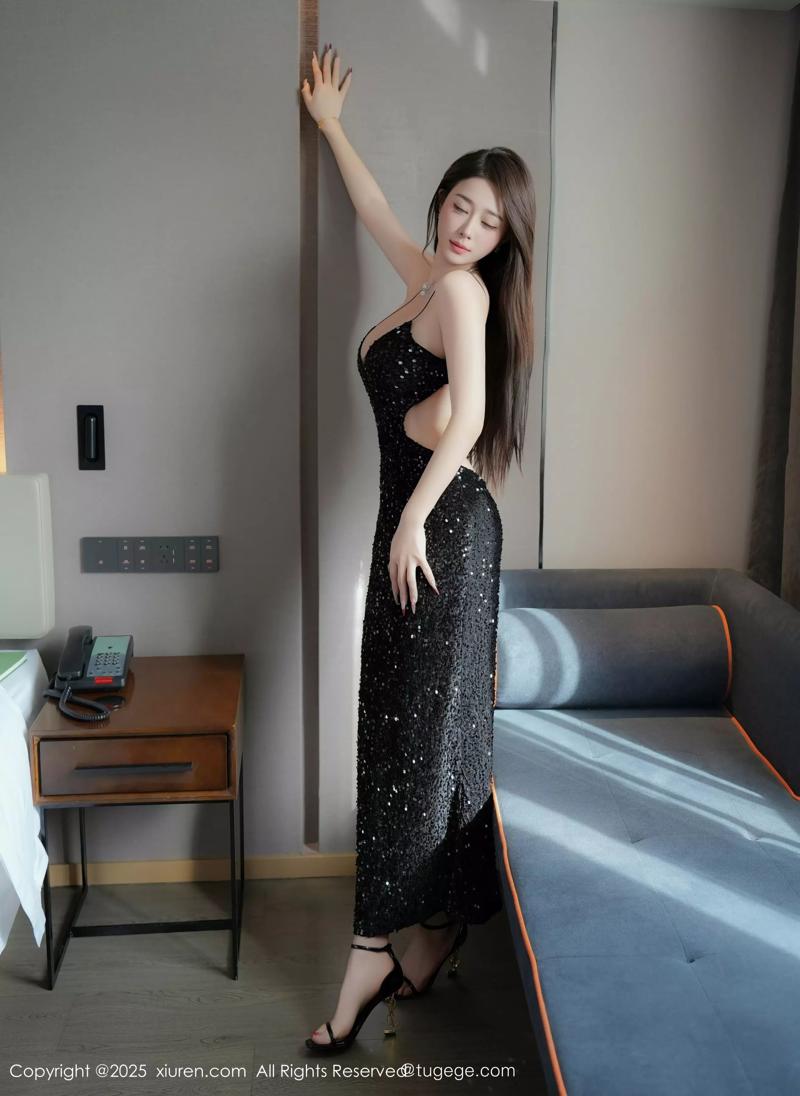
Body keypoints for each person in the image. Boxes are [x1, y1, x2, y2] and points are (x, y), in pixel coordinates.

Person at [300, 42, 536, 1054]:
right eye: (460, 207)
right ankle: (433, 931)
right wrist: (332, 127)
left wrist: (408, 517)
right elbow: (376, 215)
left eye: (489, 222)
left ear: (504, 238)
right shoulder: (427, 277)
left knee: (414, 738)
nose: (466, 229)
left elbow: (471, 412)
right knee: (408, 733)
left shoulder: (466, 295)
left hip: (439, 532)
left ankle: (372, 950)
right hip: (417, 521)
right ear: (443, 200)